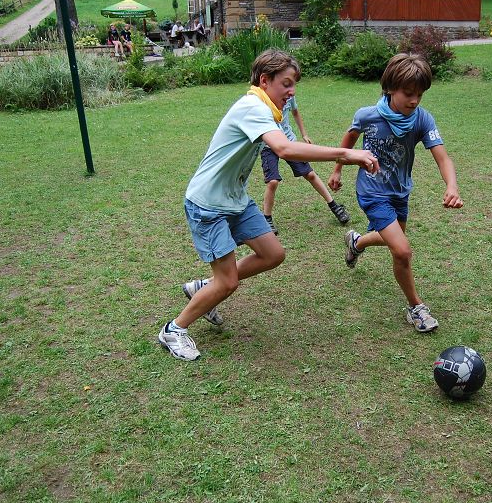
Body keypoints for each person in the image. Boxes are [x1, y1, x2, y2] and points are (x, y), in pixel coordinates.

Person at [157, 50, 379, 361]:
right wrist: (346, 154)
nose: (292, 91)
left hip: (234, 200)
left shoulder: (271, 112)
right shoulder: (252, 107)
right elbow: (284, 149)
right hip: (208, 205)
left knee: (273, 254)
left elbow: (293, 145)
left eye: (294, 85)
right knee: (228, 281)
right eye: (286, 84)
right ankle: (174, 329)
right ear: (265, 80)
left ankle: (204, 288)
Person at [327, 53, 464, 334]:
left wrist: (452, 185)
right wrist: (338, 169)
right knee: (402, 250)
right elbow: (348, 141)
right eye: (408, 93)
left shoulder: (422, 119)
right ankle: (416, 307)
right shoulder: (368, 116)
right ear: (390, 88)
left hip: (400, 191)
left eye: (420, 95)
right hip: (372, 192)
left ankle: (357, 242)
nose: (414, 101)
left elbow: (442, 157)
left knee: (393, 237)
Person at [260, 94, 351, 235]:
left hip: (288, 142)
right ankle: (267, 218)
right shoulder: (261, 98)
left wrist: (304, 134)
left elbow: (295, 112)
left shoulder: (289, 96)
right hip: (268, 146)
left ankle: (335, 206)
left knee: (310, 174)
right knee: (272, 182)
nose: (290, 90)